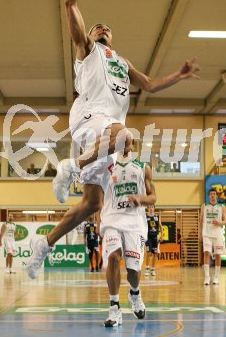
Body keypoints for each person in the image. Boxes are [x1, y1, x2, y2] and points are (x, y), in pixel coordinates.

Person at [26, 0, 200, 280]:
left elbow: (149, 85)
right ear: (91, 34)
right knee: (126, 136)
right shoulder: (87, 49)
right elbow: (69, 2)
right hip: (91, 116)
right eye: (98, 26)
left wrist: (179, 73)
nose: (103, 28)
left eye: (108, 28)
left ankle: (43, 245)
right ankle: (71, 167)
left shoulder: (120, 60)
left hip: (101, 134)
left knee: (91, 204)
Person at [100, 140, 156, 327]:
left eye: (128, 141)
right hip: (112, 220)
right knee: (113, 258)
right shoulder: (106, 166)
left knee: (133, 270)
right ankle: (114, 308)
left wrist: (141, 198)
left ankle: (134, 293)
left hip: (134, 222)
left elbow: (153, 197)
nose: (124, 144)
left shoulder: (143, 167)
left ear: (133, 146)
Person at [199, 189, 226, 285]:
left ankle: (216, 277)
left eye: (214, 194)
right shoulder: (204, 206)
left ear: (217, 196)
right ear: (209, 196)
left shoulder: (222, 207)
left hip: (217, 234)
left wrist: (220, 223)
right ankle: (207, 277)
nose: (212, 196)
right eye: (211, 194)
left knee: (218, 255)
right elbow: (201, 220)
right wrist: (200, 233)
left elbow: (225, 220)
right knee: (206, 253)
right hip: (207, 234)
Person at [145, 205, 164, 277]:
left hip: (155, 237)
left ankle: (153, 269)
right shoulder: (145, 217)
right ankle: (147, 268)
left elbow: (161, 227)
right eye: (149, 207)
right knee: (148, 252)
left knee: (155, 253)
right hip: (148, 237)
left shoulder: (157, 217)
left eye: (152, 207)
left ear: (154, 208)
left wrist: (162, 235)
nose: (150, 208)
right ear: (148, 208)